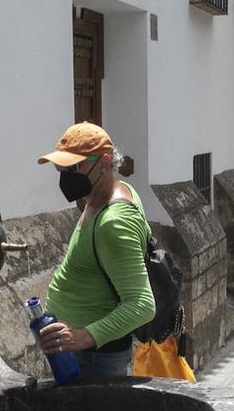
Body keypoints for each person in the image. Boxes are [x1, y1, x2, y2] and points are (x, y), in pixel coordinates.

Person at [35, 122, 156, 377]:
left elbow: (143, 304)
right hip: (83, 354)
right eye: (61, 167)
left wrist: (83, 337)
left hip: (94, 359)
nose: (65, 175)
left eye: (74, 167)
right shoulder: (100, 195)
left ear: (104, 163)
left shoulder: (114, 223)